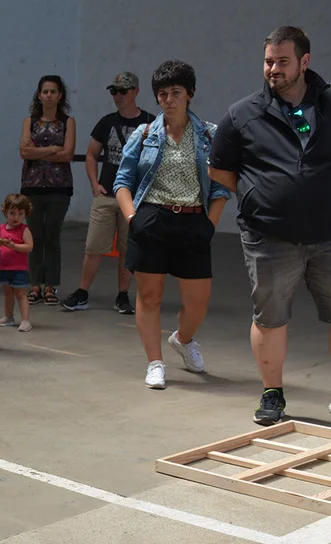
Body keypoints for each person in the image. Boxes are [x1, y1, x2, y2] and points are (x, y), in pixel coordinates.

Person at [209, 26, 331, 425]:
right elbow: (219, 169)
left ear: (304, 62)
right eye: (268, 61)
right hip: (270, 237)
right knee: (270, 316)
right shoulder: (242, 114)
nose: (274, 69)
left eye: (283, 61)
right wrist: (257, 196)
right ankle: (272, 394)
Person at [114, 60, 230, 389]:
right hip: (152, 218)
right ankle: (155, 362)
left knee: (198, 301)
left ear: (189, 93)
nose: (169, 99)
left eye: (176, 92)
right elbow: (122, 182)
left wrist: (210, 224)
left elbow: (220, 188)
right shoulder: (145, 134)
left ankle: (183, 339)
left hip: (194, 221)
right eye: (162, 94)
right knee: (149, 296)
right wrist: (133, 218)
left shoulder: (209, 135)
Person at [61, 72, 156, 314]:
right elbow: (91, 155)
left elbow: (159, 159)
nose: (117, 96)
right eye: (114, 91)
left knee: (127, 248)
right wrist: (95, 184)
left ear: (135, 92)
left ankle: (122, 295)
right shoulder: (106, 122)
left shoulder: (151, 123)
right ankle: (82, 292)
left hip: (134, 200)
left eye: (122, 91)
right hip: (105, 195)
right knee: (94, 246)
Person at [19, 75, 76, 306]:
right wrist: (53, 148)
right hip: (32, 187)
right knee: (34, 236)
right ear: (39, 95)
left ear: (60, 95)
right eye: (45, 91)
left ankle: (51, 285)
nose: (49, 95)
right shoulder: (30, 121)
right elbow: (24, 152)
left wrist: (38, 151)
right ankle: (34, 284)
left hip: (59, 188)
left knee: (52, 236)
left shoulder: (68, 122)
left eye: (53, 91)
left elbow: (68, 154)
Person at [0, 194, 35, 332]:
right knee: (8, 293)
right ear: (5, 212)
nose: (15, 217)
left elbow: (29, 247)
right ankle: (8, 317)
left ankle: (25, 320)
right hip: (3, 267)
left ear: (25, 214)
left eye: (20, 214)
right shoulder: (0, 228)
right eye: (12, 213)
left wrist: (14, 246)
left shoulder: (24, 230)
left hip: (19, 269)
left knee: (21, 294)